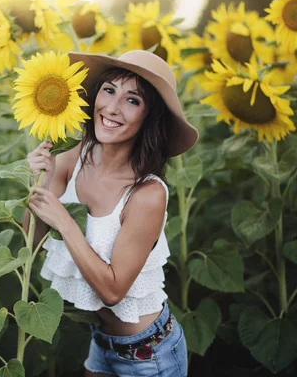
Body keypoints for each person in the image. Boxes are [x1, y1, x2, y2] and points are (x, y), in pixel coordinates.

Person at [23, 50, 199, 377]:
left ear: (150, 117)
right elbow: (31, 243)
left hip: (150, 354)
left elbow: (113, 291)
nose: (112, 108)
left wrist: (64, 219)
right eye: (109, 90)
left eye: (133, 100)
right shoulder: (78, 157)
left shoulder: (147, 193)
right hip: (101, 344)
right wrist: (42, 183)